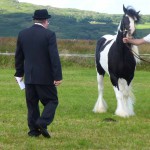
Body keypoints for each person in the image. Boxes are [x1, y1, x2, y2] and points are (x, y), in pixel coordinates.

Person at [14, 9, 62, 138]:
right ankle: (42, 122)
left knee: (32, 104)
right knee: (52, 100)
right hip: (45, 77)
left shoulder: (23, 34)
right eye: (48, 21)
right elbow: (54, 57)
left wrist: (19, 73)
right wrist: (57, 76)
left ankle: (33, 132)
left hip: (29, 77)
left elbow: (19, 56)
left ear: (35, 19)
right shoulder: (49, 35)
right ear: (46, 21)